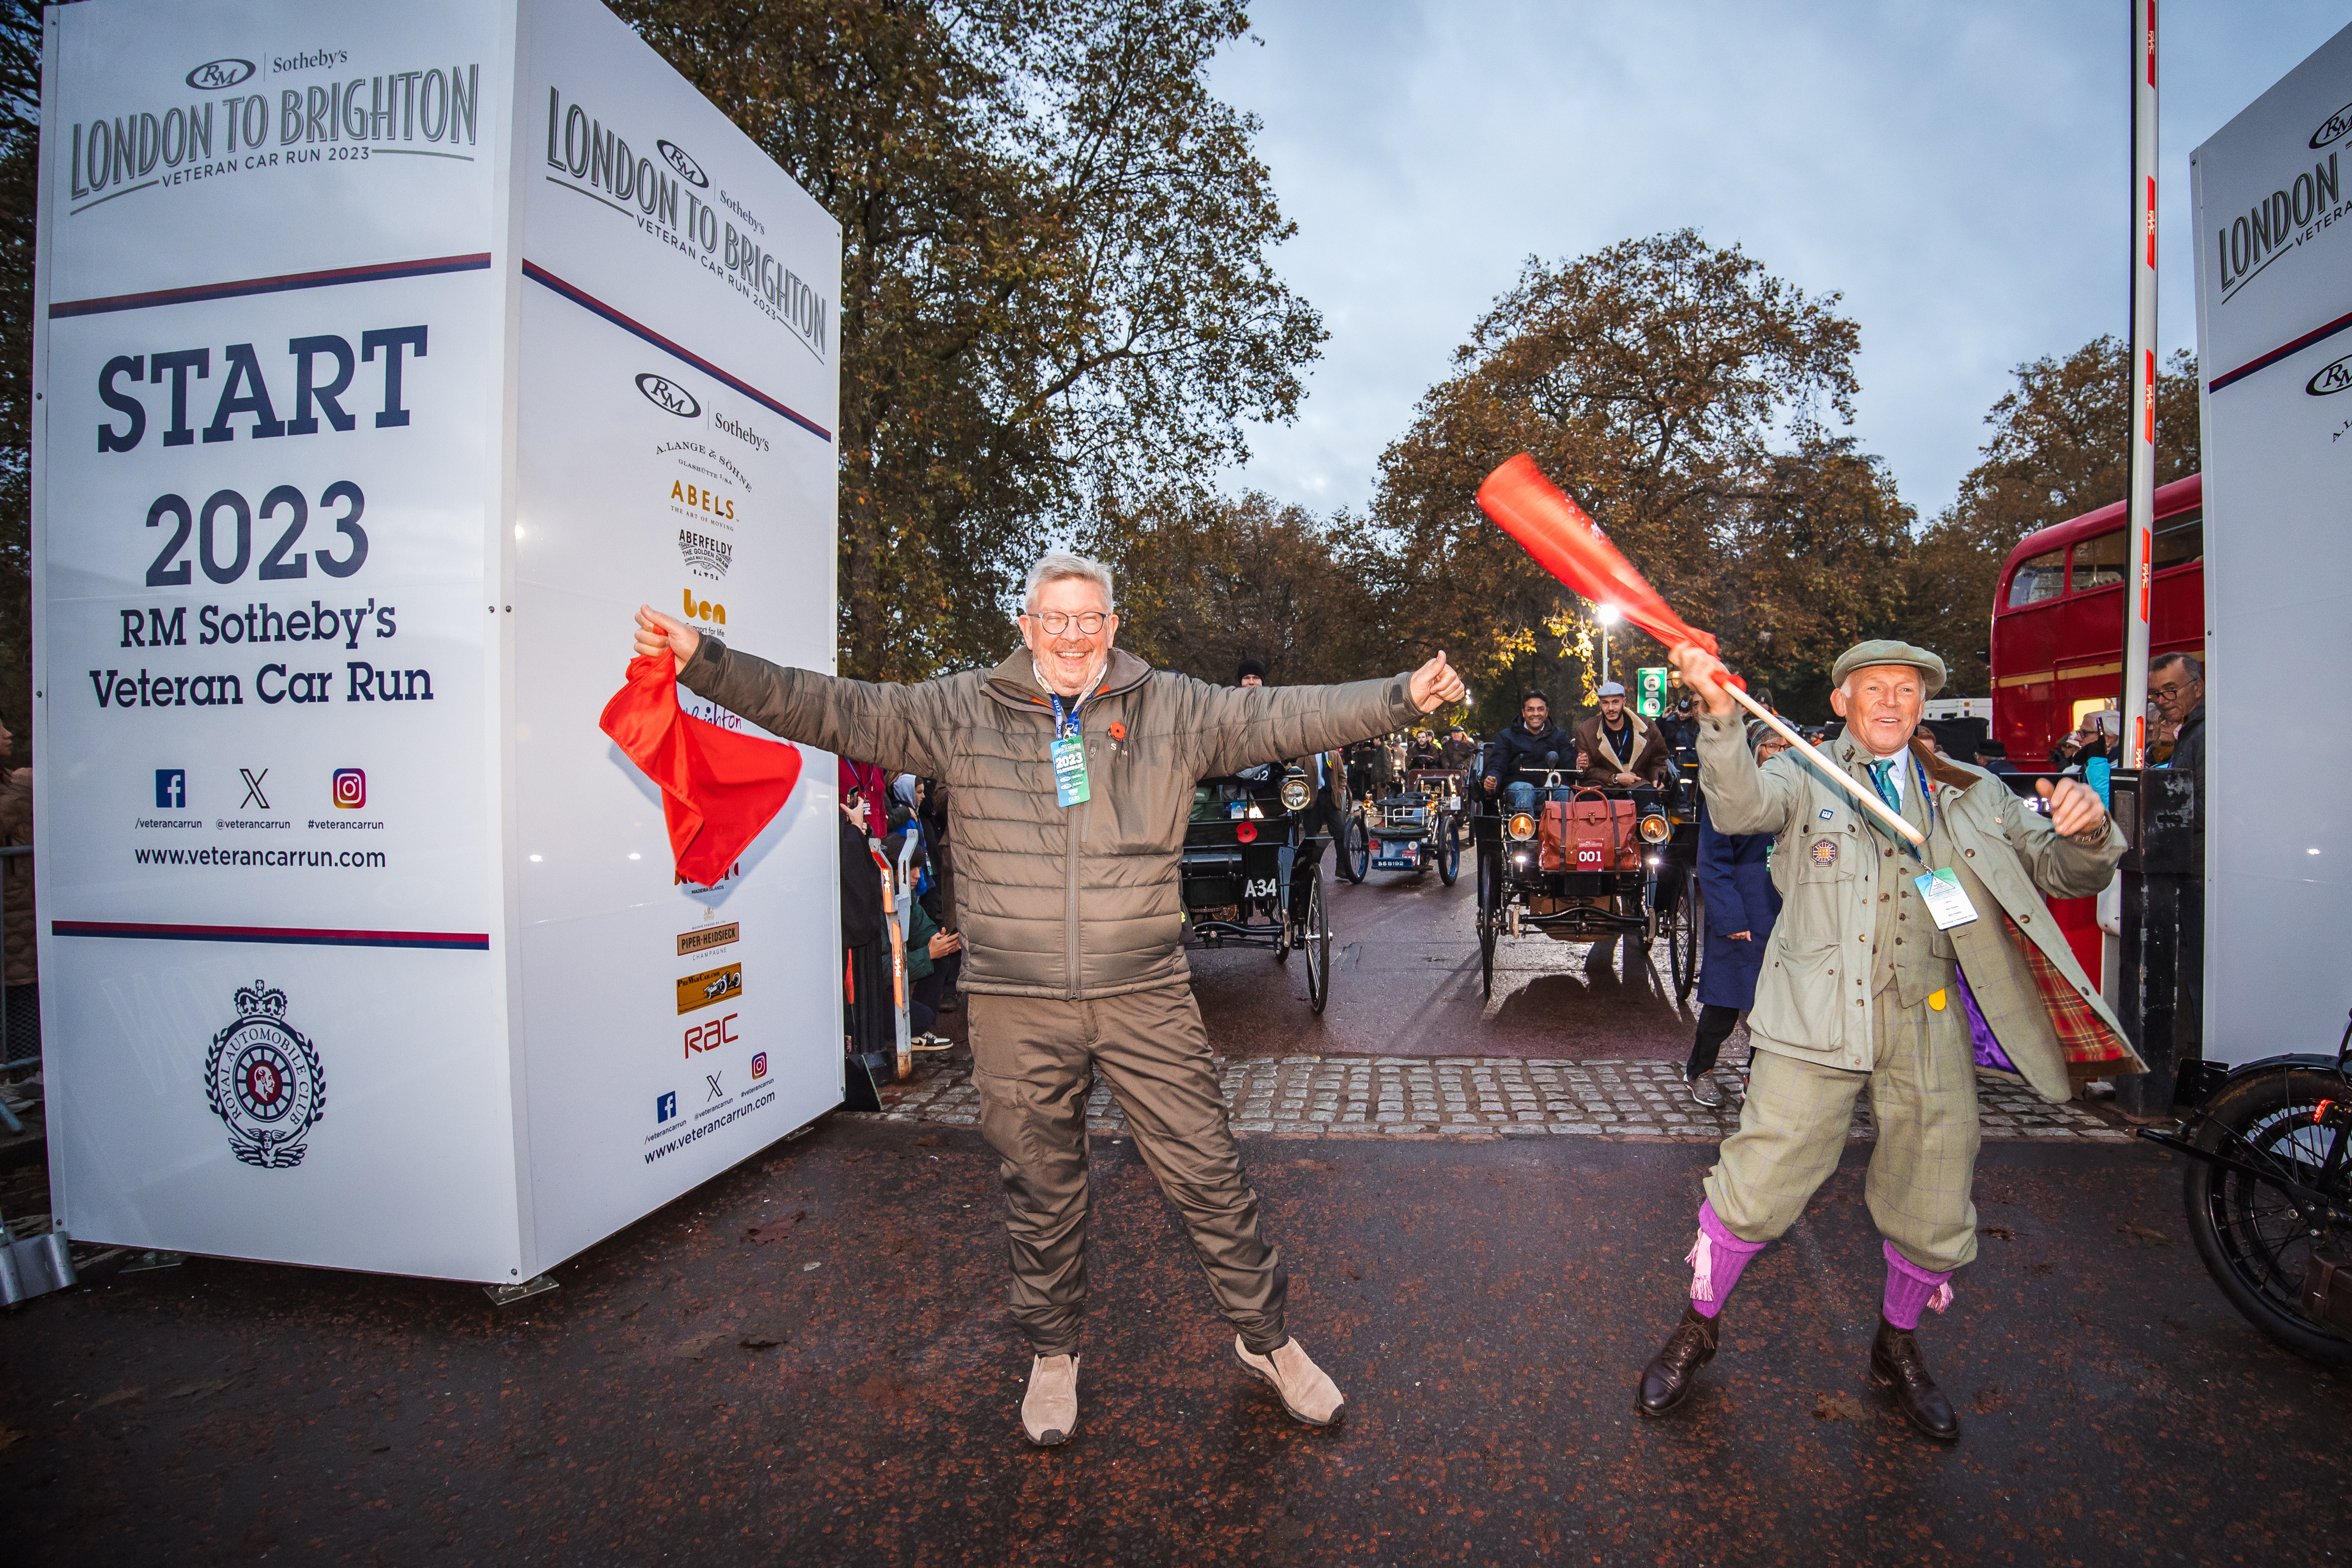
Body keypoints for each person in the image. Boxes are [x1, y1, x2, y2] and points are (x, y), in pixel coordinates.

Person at [632, 550, 1465, 1445]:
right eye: (1053, 618)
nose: (1072, 635)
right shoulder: (959, 708)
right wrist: (706, 659)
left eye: (1089, 618)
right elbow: (838, 706)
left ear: (1112, 626)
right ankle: (1053, 1352)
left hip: (1143, 990)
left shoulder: (1173, 706)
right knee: (1040, 1184)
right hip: (1013, 998)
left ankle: (1267, 1341)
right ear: (1026, 625)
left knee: (1209, 1174)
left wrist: (1395, 695)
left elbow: (1283, 712)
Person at [1639, 637, 2139, 1443]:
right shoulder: (1801, 771)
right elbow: (1736, 808)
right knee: (1757, 1179)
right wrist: (1721, 715)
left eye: (1905, 689)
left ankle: (1896, 1344)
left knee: (1934, 1188)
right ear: (1842, 701)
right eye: (1872, 688)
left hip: (1926, 1014)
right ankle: (1698, 1327)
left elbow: (2061, 870)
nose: (1889, 701)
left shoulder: (1973, 792)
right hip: (1813, 1016)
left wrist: (2088, 831)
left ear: (1921, 704)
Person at [1684, 727, 1789, 1108]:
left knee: (1776, 1007)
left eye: (1786, 746)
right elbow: (1712, 862)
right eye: (1771, 746)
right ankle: (1700, 1069)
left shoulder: (1800, 791)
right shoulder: (1727, 794)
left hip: (1784, 915)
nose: (1778, 752)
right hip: (1742, 912)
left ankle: (1756, 1076)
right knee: (1725, 1004)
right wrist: (1730, 918)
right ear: (1755, 750)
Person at [2150, 652, 2205, 1006]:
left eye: (2170, 691)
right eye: (2156, 694)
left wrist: (2155, 811)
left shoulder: (2204, 734)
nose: (2162, 701)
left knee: (2200, 972)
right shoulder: (2188, 731)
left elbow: (2204, 807)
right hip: (2191, 870)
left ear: (2197, 688)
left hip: (2200, 873)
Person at [0, 720, 34, 1069]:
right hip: (10, 910)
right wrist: (20, 794)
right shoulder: (15, 787)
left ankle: (24, 1072)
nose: (9, 734)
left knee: (25, 990)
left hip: (20, 909)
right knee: (17, 989)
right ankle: (17, 1075)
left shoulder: (11, 780)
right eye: (0, 729)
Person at [1482, 690, 1576, 814]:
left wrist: (1579, 765)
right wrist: (1492, 779)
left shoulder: (1559, 736)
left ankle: (1564, 832)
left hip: (1551, 787)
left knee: (1567, 793)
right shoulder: (1507, 736)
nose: (1536, 714)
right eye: (1531, 709)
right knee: (1526, 790)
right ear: (1523, 713)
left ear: (1547, 712)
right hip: (1518, 788)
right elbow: (1497, 765)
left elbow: (1569, 764)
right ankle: (1524, 833)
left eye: (1540, 709)